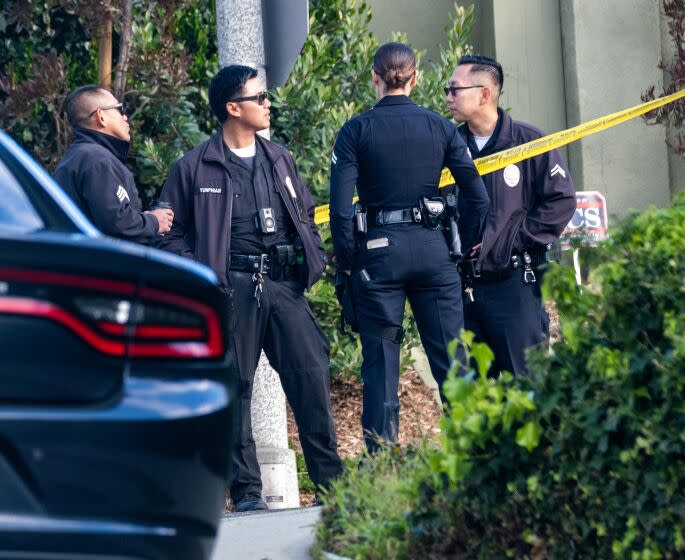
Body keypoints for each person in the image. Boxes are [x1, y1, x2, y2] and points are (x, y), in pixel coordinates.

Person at [158, 65, 343, 512]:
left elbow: (305, 214)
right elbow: (168, 232)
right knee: (234, 389)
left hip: (282, 285)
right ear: (232, 107)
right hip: (230, 290)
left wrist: (308, 259)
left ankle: (335, 488)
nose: (268, 104)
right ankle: (246, 494)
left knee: (311, 378)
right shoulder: (194, 166)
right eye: (259, 98)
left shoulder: (280, 158)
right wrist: (202, 272)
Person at [330, 42, 489, 453]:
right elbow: (478, 197)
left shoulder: (356, 130)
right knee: (453, 359)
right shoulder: (439, 127)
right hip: (433, 252)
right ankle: (472, 454)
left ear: (375, 78)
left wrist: (348, 265)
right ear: (415, 78)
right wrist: (463, 249)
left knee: (381, 362)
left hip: (379, 256)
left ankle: (381, 462)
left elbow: (340, 212)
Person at [446, 54, 576, 377]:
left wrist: (509, 241)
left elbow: (561, 201)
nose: (448, 97)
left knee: (528, 393)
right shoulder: (448, 147)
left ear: (484, 94)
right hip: (462, 292)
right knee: (470, 404)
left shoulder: (529, 142)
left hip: (514, 286)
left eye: (454, 90)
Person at [54, 85, 172, 242]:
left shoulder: (78, 157)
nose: (125, 117)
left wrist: (142, 219)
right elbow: (118, 224)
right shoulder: (97, 161)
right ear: (101, 116)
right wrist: (154, 222)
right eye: (120, 109)